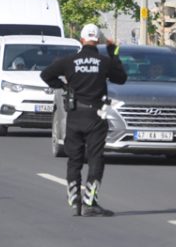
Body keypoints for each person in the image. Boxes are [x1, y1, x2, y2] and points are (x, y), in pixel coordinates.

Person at [40, 24, 127, 217]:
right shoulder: (104, 62)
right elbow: (121, 78)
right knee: (95, 158)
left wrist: (62, 85)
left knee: (75, 159)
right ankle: (90, 201)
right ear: (98, 41)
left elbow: (45, 74)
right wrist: (114, 54)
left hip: (74, 116)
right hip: (96, 116)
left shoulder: (69, 61)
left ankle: (74, 199)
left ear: (81, 40)